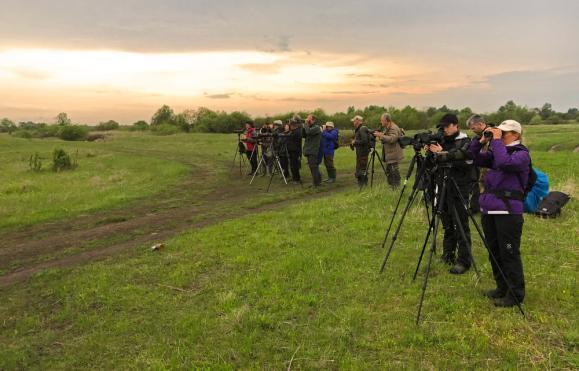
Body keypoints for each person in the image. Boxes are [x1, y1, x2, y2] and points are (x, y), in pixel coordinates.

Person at [469, 119, 529, 307]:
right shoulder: (497, 152)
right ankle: (501, 287)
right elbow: (473, 158)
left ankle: (515, 294)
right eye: (499, 132)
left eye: (504, 133)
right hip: (490, 208)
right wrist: (479, 141)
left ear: (516, 135)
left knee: (509, 252)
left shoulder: (521, 155)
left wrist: (495, 141)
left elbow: (504, 163)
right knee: (494, 251)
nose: (500, 136)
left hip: (508, 210)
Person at [425, 113, 476, 274]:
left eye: (447, 126)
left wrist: (443, 152)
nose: (445, 130)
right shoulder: (442, 141)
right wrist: (431, 154)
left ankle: (464, 260)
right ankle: (448, 254)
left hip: (459, 187)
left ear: (456, 125)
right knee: (447, 223)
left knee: (460, 224)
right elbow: (435, 164)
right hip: (443, 186)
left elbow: (463, 162)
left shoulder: (466, 141)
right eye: (443, 127)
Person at [373, 113, 404, 189]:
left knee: (394, 172)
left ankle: (395, 188)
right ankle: (392, 188)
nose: (381, 122)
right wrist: (381, 135)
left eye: (382, 120)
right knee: (390, 172)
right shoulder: (389, 127)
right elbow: (388, 137)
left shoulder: (393, 127)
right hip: (391, 154)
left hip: (393, 154)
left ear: (387, 120)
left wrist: (381, 136)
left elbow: (392, 139)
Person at [466, 114, 489, 213]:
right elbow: (471, 151)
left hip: (492, 167)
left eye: (473, 128)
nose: (472, 130)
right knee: (479, 186)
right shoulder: (477, 137)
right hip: (481, 167)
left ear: (480, 124)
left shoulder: (494, 134)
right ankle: (478, 208)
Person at [302, 114, 322, 187]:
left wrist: (306, 124)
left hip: (313, 150)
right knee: (313, 167)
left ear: (313, 120)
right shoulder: (310, 127)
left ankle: (316, 184)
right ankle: (318, 181)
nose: (307, 120)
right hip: (309, 150)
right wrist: (303, 126)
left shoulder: (317, 127)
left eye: (309, 119)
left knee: (313, 167)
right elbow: (304, 135)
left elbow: (309, 132)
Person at [350, 115, 371, 186]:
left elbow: (364, 141)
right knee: (359, 170)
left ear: (358, 121)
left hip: (363, 153)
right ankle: (362, 186)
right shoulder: (359, 129)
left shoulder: (362, 129)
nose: (353, 122)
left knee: (362, 170)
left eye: (354, 121)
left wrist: (355, 142)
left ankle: (363, 186)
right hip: (360, 153)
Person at [287, 116, 303, 182]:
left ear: (293, 125)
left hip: (295, 151)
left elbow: (296, 142)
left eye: (291, 125)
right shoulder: (293, 131)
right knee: (292, 165)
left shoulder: (297, 132)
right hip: (291, 150)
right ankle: (294, 177)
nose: (290, 127)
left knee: (295, 166)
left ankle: (297, 179)